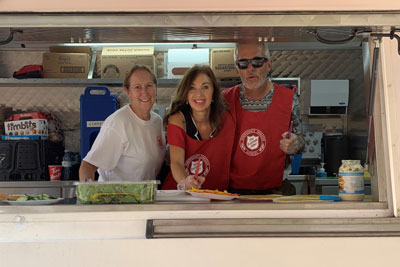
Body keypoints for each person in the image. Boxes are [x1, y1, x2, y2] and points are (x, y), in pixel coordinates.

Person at [223, 42, 305, 195]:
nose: (250, 68)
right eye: (243, 63)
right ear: (236, 69)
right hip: (232, 192)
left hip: (277, 191)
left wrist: (295, 142)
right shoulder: (224, 101)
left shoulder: (289, 100)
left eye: (257, 61)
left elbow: (301, 142)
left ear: (269, 65)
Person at [79, 65, 166, 182]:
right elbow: (87, 166)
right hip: (116, 197)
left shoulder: (157, 121)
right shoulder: (118, 122)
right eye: (137, 87)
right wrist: (88, 194)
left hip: (145, 197)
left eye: (149, 86)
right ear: (128, 91)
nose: (144, 92)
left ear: (156, 88)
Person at [162, 65, 235, 190]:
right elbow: (176, 163)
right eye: (192, 88)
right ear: (186, 94)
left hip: (216, 195)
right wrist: (187, 182)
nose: (199, 94)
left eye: (205, 87)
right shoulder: (178, 119)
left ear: (214, 92)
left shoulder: (227, 119)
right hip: (180, 195)